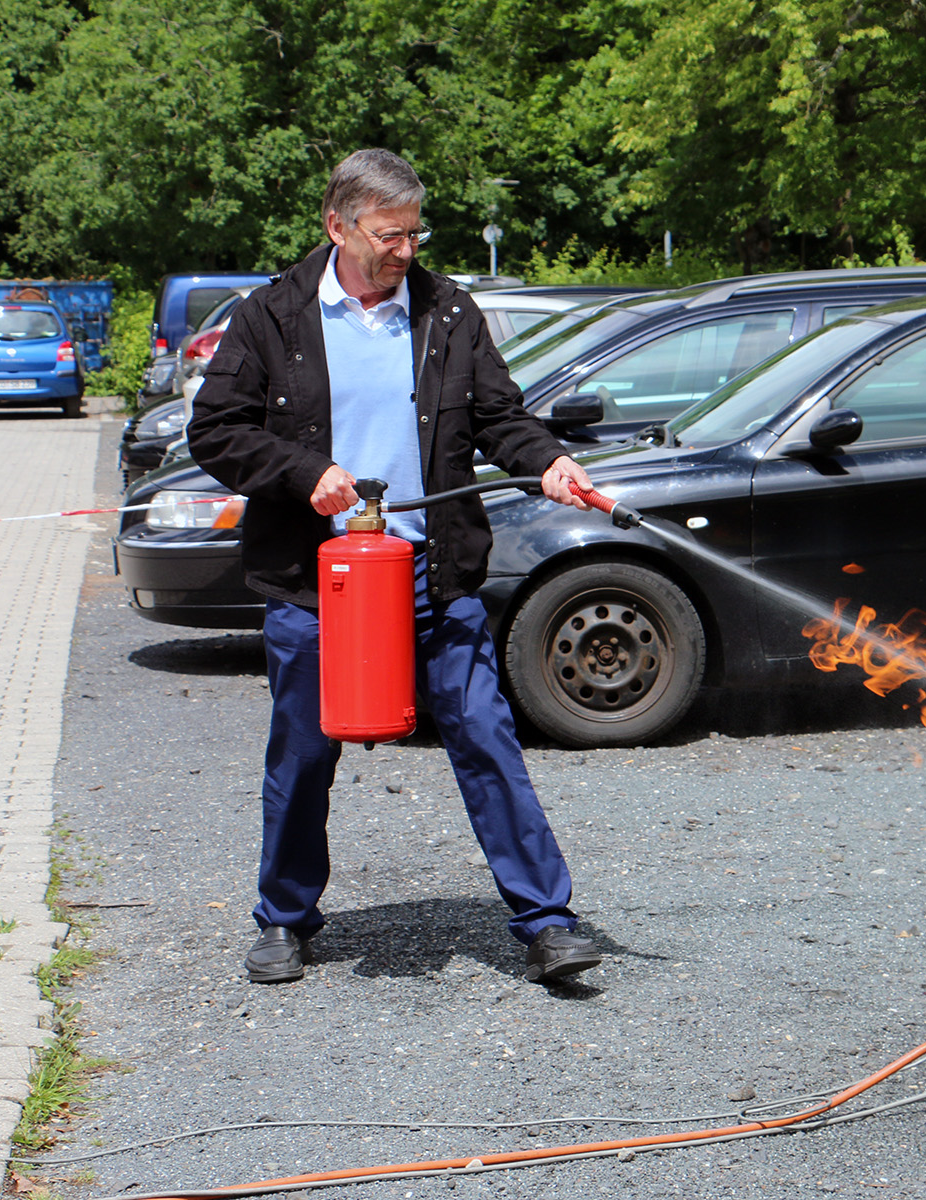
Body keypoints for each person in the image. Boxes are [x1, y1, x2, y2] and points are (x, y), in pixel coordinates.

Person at [187, 148, 603, 986]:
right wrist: (306, 476)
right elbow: (218, 430)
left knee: (485, 737)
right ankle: (284, 918)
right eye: (389, 235)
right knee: (303, 751)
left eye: (414, 233)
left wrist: (550, 462)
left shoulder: (447, 311)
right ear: (337, 226)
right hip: (320, 584)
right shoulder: (272, 316)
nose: (405, 251)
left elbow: (500, 416)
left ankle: (547, 921)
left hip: (432, 571)